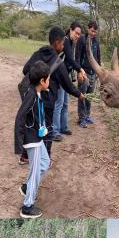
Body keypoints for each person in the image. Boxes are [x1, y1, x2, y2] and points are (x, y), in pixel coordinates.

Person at [19, 27, 84, 164]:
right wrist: (79, 94)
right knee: (47, 129)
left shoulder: (37, 54)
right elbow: (67, 84)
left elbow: (25, 70)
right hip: (47, 102)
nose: (63, 46)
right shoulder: (57, 62)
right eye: (62, 43)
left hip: (33, 98)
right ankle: (46, 159)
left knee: (31, 126)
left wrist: (37, 78)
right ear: (57, 42)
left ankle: (25, 156)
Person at [15, 60, 51, 218]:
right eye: (48, 79)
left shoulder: (36, 92)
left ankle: (27, 187)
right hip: (32, 141)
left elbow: (35, 115)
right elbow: (20, 118)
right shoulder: (31, 95)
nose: (49, 81)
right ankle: (27, 207)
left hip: (38, 136)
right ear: (42, 81)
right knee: (35, 172)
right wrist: (19, 144)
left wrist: (42, 128)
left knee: (45, 163)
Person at [52, 22, 86, 141]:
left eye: (79, 34)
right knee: (59, 103)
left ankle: (63, 127)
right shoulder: (65, 41)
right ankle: (55, 131)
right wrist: (80, 69)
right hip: (60, 76)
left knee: (65, 103)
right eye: (76, 33)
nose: (77, 36)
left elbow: (70, 60)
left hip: (65, 76)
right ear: (70, 30)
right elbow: (71, 59)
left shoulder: (71, 42)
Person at [76, 20, 101, 127]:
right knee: (82, 95)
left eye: (95, 32)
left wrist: (99, 72)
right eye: (91, 31)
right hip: (84, 72)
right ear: (88, 29)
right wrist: (79, 71)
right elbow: (77, 57)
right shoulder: (82, 39)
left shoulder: (96, 42)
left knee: (89, 96)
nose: (93, 33)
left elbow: (98, 58)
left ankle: (87, 116)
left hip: (93, 73)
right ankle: (81, 118)